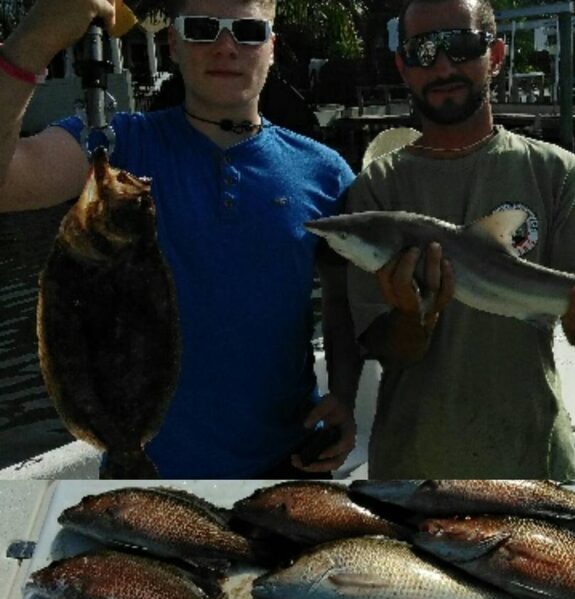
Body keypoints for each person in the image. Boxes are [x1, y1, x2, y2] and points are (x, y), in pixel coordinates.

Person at [0, 0, 362, 478]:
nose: (226, 47)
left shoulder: (328, 172)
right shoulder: (115, 145)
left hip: (289, 466)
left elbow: (341, 305)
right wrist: (31, 44)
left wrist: (344, 393)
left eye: (249, 31)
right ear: (173, 43)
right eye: (203, 29)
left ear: (272, 47)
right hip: (147, 473)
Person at [345, 0, 575, 479]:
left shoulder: (558, 174)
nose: (443, 66)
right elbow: (384, 347)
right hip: (412, 468)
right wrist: (414, 317)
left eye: (462, 46)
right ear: (403, 67)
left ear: (497, 54)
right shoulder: (375, 191)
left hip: (534, 463)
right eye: (423, 52)